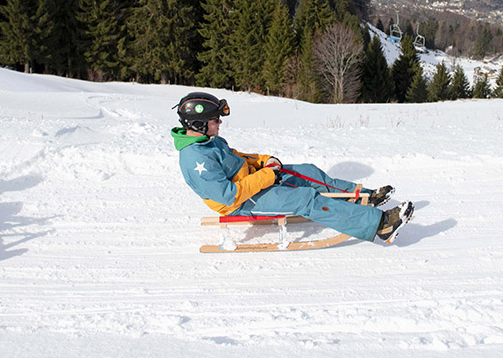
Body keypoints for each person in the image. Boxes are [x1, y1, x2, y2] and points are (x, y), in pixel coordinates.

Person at [171, 92, 413, 244]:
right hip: (241, 203)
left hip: (254, 182)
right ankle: (379, 225)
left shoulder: (208, 141)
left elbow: (238, 157)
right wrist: (267, 175)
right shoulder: (194, 159)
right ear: (200, 123)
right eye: (215, 120)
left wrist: (264, 162)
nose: (220, 122)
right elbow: (229, 195)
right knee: (305, 199)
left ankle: (361, 196)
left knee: (308, 172)